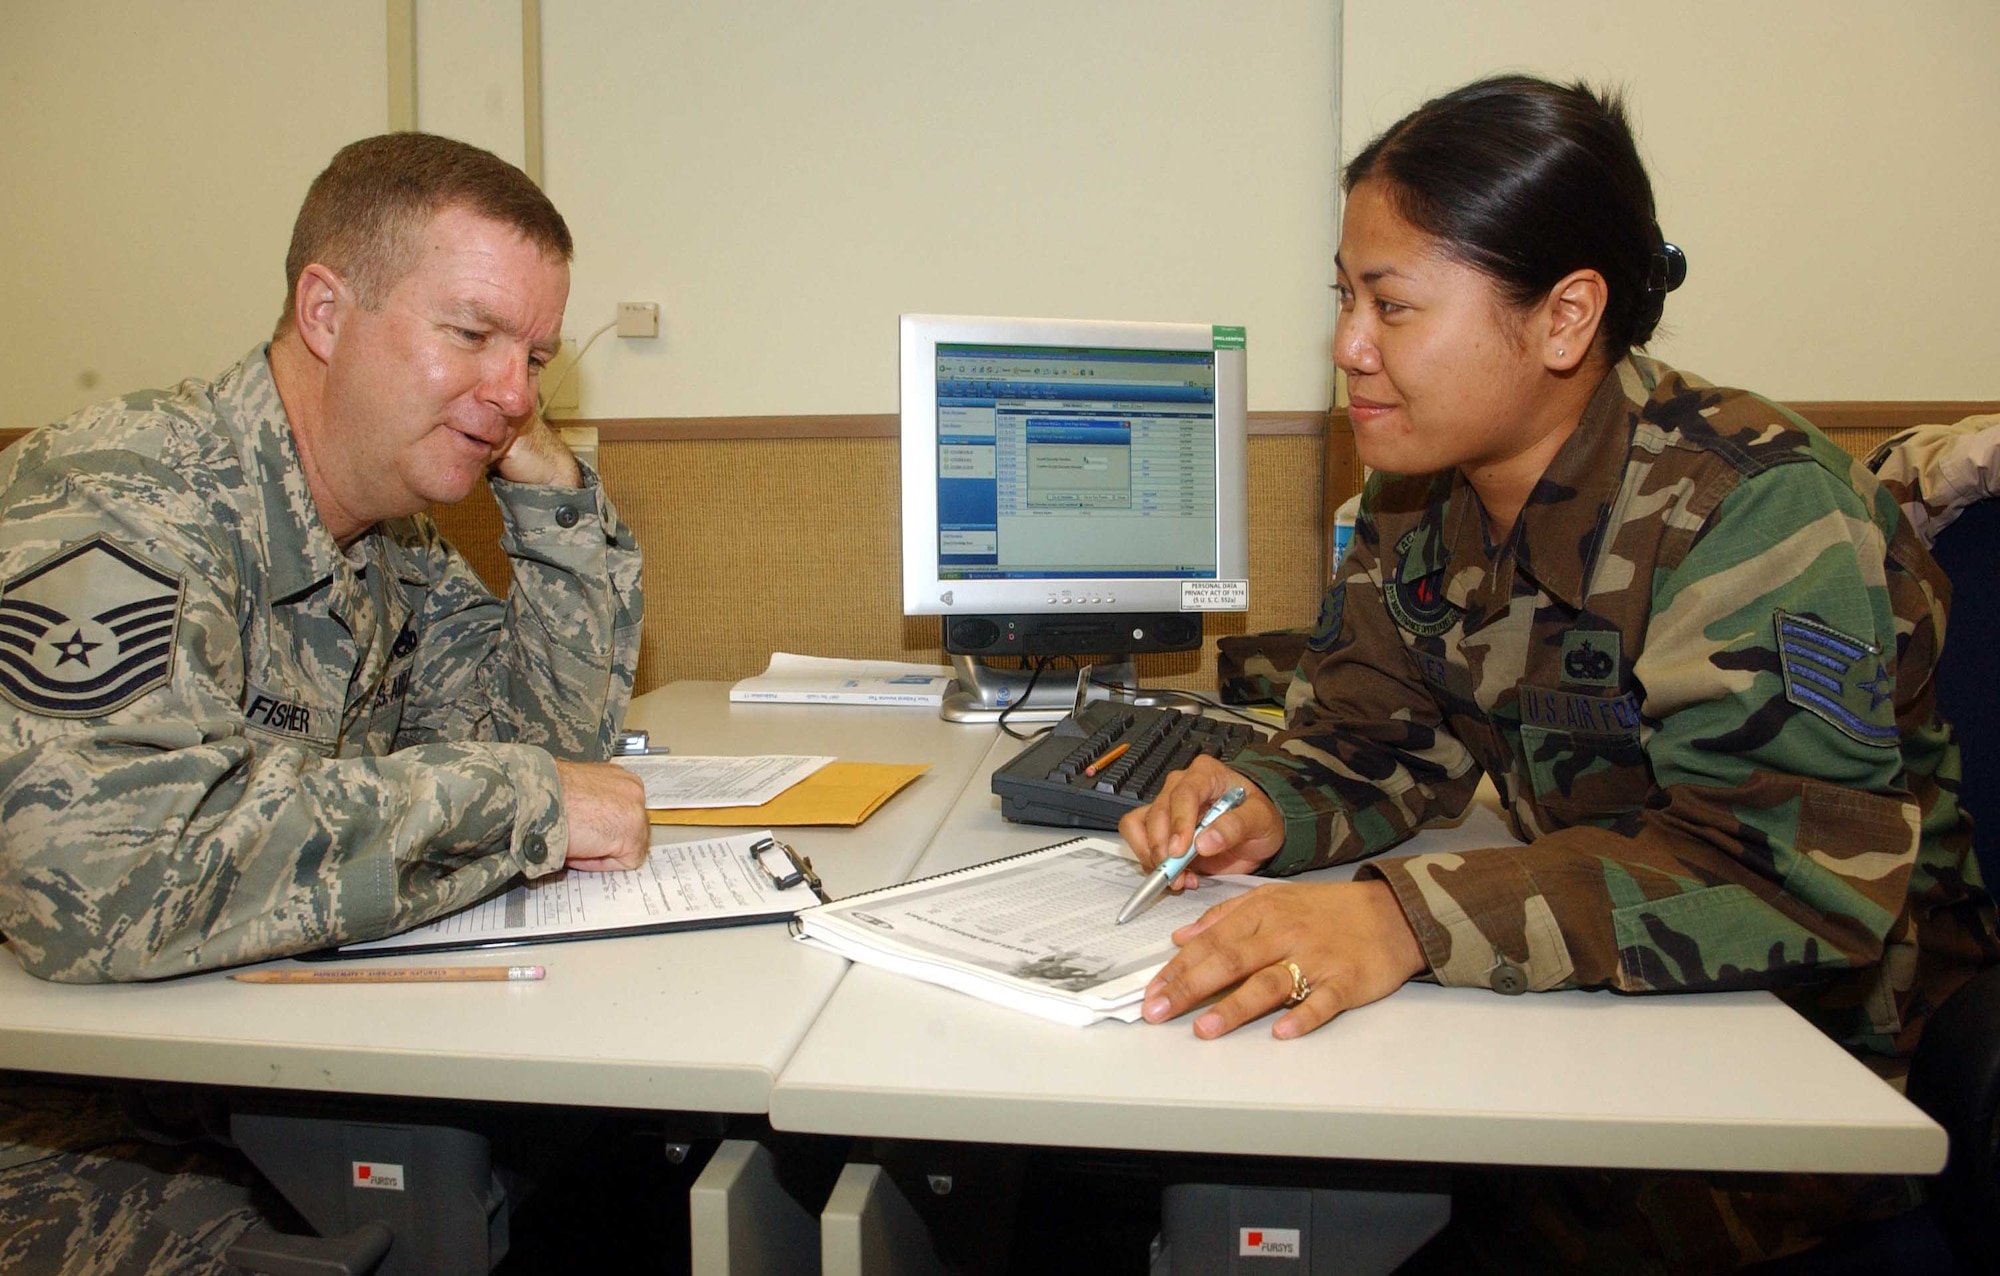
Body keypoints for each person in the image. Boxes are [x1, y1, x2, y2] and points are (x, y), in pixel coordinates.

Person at [1121, 75, 2000, 1269]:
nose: (1346, 348)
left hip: (1793, 1070)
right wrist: (1265, 806)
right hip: (1587, 1025)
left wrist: (1403, 919)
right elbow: (1376, 742)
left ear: (1565, 317)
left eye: (1391, 305)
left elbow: (1786, 880)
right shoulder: (1415, 492)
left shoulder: (1754, 510)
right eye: (1343, 299)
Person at [0, 133, 651, 986]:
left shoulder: (391, 539)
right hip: (75, 1086)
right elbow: (107, 885)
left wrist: (551, 484)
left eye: (532, 359)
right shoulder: (124, 498)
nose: (518, 396)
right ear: (325, 314)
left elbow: (551, 749)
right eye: (469, 333)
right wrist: (521, 802)